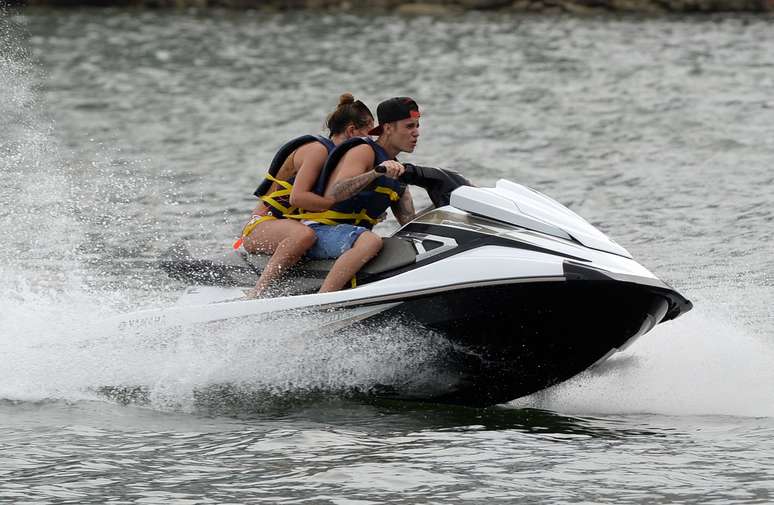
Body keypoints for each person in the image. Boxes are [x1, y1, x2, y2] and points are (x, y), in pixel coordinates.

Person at [235, 93, 375, 297]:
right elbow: (297, 198)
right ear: (352, 130)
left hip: (291, 224)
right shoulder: (318, 151)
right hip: (261, 225)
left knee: (315, 232)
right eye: (369, 132)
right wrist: (333, 200)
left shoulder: (345, 159)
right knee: (304, 235)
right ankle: (257, 293)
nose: (372, 140)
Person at [288, 97, 421, 293]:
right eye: (409, 126)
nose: (416, 133)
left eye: (418, 126)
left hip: (352, 238)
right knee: (372, 241)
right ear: (388, 128)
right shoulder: (364, 151)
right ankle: (323, 301)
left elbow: (410, 224)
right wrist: (376, 172)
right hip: (319, 231)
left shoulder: (398, 172)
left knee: (394, 244)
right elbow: (337, 191)